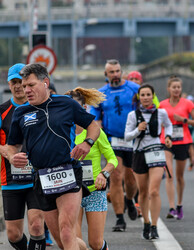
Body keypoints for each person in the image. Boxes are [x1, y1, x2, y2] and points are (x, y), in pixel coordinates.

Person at [6, 63, 100, 250]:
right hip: (42, 178)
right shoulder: (21, 112)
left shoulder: (66, 104)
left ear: (45, 83)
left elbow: (93, 126)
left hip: (68, 171)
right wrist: (11, 157)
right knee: (63, 240)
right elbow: (11, 145)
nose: (26, 90)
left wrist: (86, 143)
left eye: (31, 85)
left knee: (66, 231)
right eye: (24, 86)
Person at [0, 63, 46, 250]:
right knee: (13, 234)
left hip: (37, 177)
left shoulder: (40, 107)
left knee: (36, 224)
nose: (18, 86)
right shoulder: (0, 111)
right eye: (14, 82)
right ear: (9, 84)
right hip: (11, 179)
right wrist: (6, 152)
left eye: (22, 81)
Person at [65, 87, 118, 250]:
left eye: (75, 107)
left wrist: (104, 174)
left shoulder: (95, 132)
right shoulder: (62, 133)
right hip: (72, 191)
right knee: (75, 241)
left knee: (95, 243)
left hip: (95, 190)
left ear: (84, 109)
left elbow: (112, 160)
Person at [90, 59, 139, 232]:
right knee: (116, 176)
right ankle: (120, 218)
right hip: (113, 140)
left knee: (131, 178)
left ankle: (129, 199)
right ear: (106, 75)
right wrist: (98, 125)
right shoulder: (101, 93)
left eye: (117, 71)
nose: (115, 75)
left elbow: (148, 107)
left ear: (121, 72)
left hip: (133, 138)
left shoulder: (134, 89)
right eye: (111, 72)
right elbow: (94, 117)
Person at [125, 84, 172, 240]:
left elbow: (169, 125)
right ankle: (146, 222)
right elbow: (127, 136)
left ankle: (154, 226)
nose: (145, 97)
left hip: (156, 152)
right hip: (139, 154)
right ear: (139, 97)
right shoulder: (133, 115)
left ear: (153, 96)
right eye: (142, 95)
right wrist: (138, 129)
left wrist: (168, 137)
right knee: (143, 192)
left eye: (148, 94)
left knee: (154, 191)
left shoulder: (161, 113)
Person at [159, 76, 194, 220]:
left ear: (181, 89)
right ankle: (172, 207)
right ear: (169, 89)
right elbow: (157, 121)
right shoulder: (162, 105)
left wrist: (183, 120)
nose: (176, 89)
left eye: (178, 87)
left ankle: (179, 204)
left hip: (183, 141)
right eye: (173, 87)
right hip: (166, 141)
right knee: (170, 174)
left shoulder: (188, 104)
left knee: (179, 177)